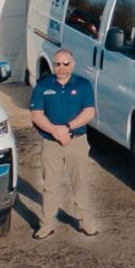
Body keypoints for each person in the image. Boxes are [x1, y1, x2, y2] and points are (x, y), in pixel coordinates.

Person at [29, 50, 98, 239]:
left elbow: (89, 112)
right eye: (57, 64)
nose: (61, 68)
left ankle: (86, 223)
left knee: (81, 183)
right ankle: (46, 225)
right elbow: (36, 115)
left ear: (73, 64)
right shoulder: (43, 86)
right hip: (51, 143)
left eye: (65, 64)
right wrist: (55, 131)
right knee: (50, 185)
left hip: (77, 141)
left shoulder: (83, 85)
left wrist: (67, 128)